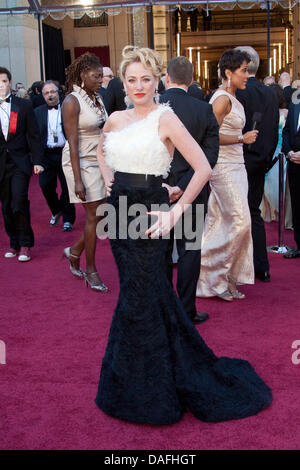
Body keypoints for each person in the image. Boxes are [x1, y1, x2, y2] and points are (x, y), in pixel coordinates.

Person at [94, 45, 272, 425]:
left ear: (158, 79)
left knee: (144, 293)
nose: (139, 86)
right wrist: (110, 183)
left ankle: (151, 385)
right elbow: (100, 153)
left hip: (152, 212)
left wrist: (176, 210)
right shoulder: (115, 119)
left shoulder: (166, 117)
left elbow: (203, 167)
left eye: (146, 78)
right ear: (122, 83)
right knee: (136, 293)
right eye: (131, 80)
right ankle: (136, 379)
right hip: (120, 211)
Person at [160, 56, 219, 323]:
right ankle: (186, 311)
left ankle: (161, 311)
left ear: (166, 78)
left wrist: (166, 186)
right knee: (189, 251)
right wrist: (183, 187)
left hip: (156, 191)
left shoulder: (151, 110)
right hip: (193, 191)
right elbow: (210, 156)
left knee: (159, 251)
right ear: (192, 80)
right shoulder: (203, 109)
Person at [197, 49, 257, 301]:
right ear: (228, 73)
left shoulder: (234, 98)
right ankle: (216, 277)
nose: (247, 75)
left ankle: (225, 280)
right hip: (222, 169)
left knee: (222, 222)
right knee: (241, 222)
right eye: (243, 70)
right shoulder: (222, 100)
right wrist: (241, 138)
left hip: (237, 166)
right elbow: (210, 135)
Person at [61, 53, 108, 291]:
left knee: (103, 215)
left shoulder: (96, 98)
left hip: (99, 159)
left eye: (101, 75)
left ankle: (74, 251)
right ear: (82, 75)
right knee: (94, 215)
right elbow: (72, 142)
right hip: (79, 161)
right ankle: (91, 270)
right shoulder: (72, 101)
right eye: (96, 75)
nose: (101, 79)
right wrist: (78, 180)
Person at [235, 46, 279, 282]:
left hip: (240, 160)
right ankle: (261, 267)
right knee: (254, 213)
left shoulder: (239, 91)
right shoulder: (270, 92)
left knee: (236, 214)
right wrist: (266, 158)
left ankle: (239, 269)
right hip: (262, 161)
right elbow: (272, 130)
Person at [0, 66, 44, 262]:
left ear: (9, 82)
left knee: (19, 201)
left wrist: (37, 161)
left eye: (3, 81)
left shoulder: (23, 106)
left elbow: (34, 135)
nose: (0, 86)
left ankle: (26, 244)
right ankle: (14, 242)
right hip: (1, 164)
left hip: (20, 163)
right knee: (6, 206)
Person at [35, 80, 75, 232]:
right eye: (46, 93)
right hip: (46, 155)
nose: (50, 95)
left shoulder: (68, 108)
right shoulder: (37, 112)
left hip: (65, 152)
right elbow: (34, 136)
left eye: (52, 92)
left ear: (58, 92)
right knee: (45, 185)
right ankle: (57, 209)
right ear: (42, 95)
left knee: (67, 188)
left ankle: (68, 219)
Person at [282, 94, 300, 259]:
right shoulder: (295, 104)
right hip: (294, 163)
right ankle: (299, 245)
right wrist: (289, 152)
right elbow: (287, 132)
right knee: (296, 204)